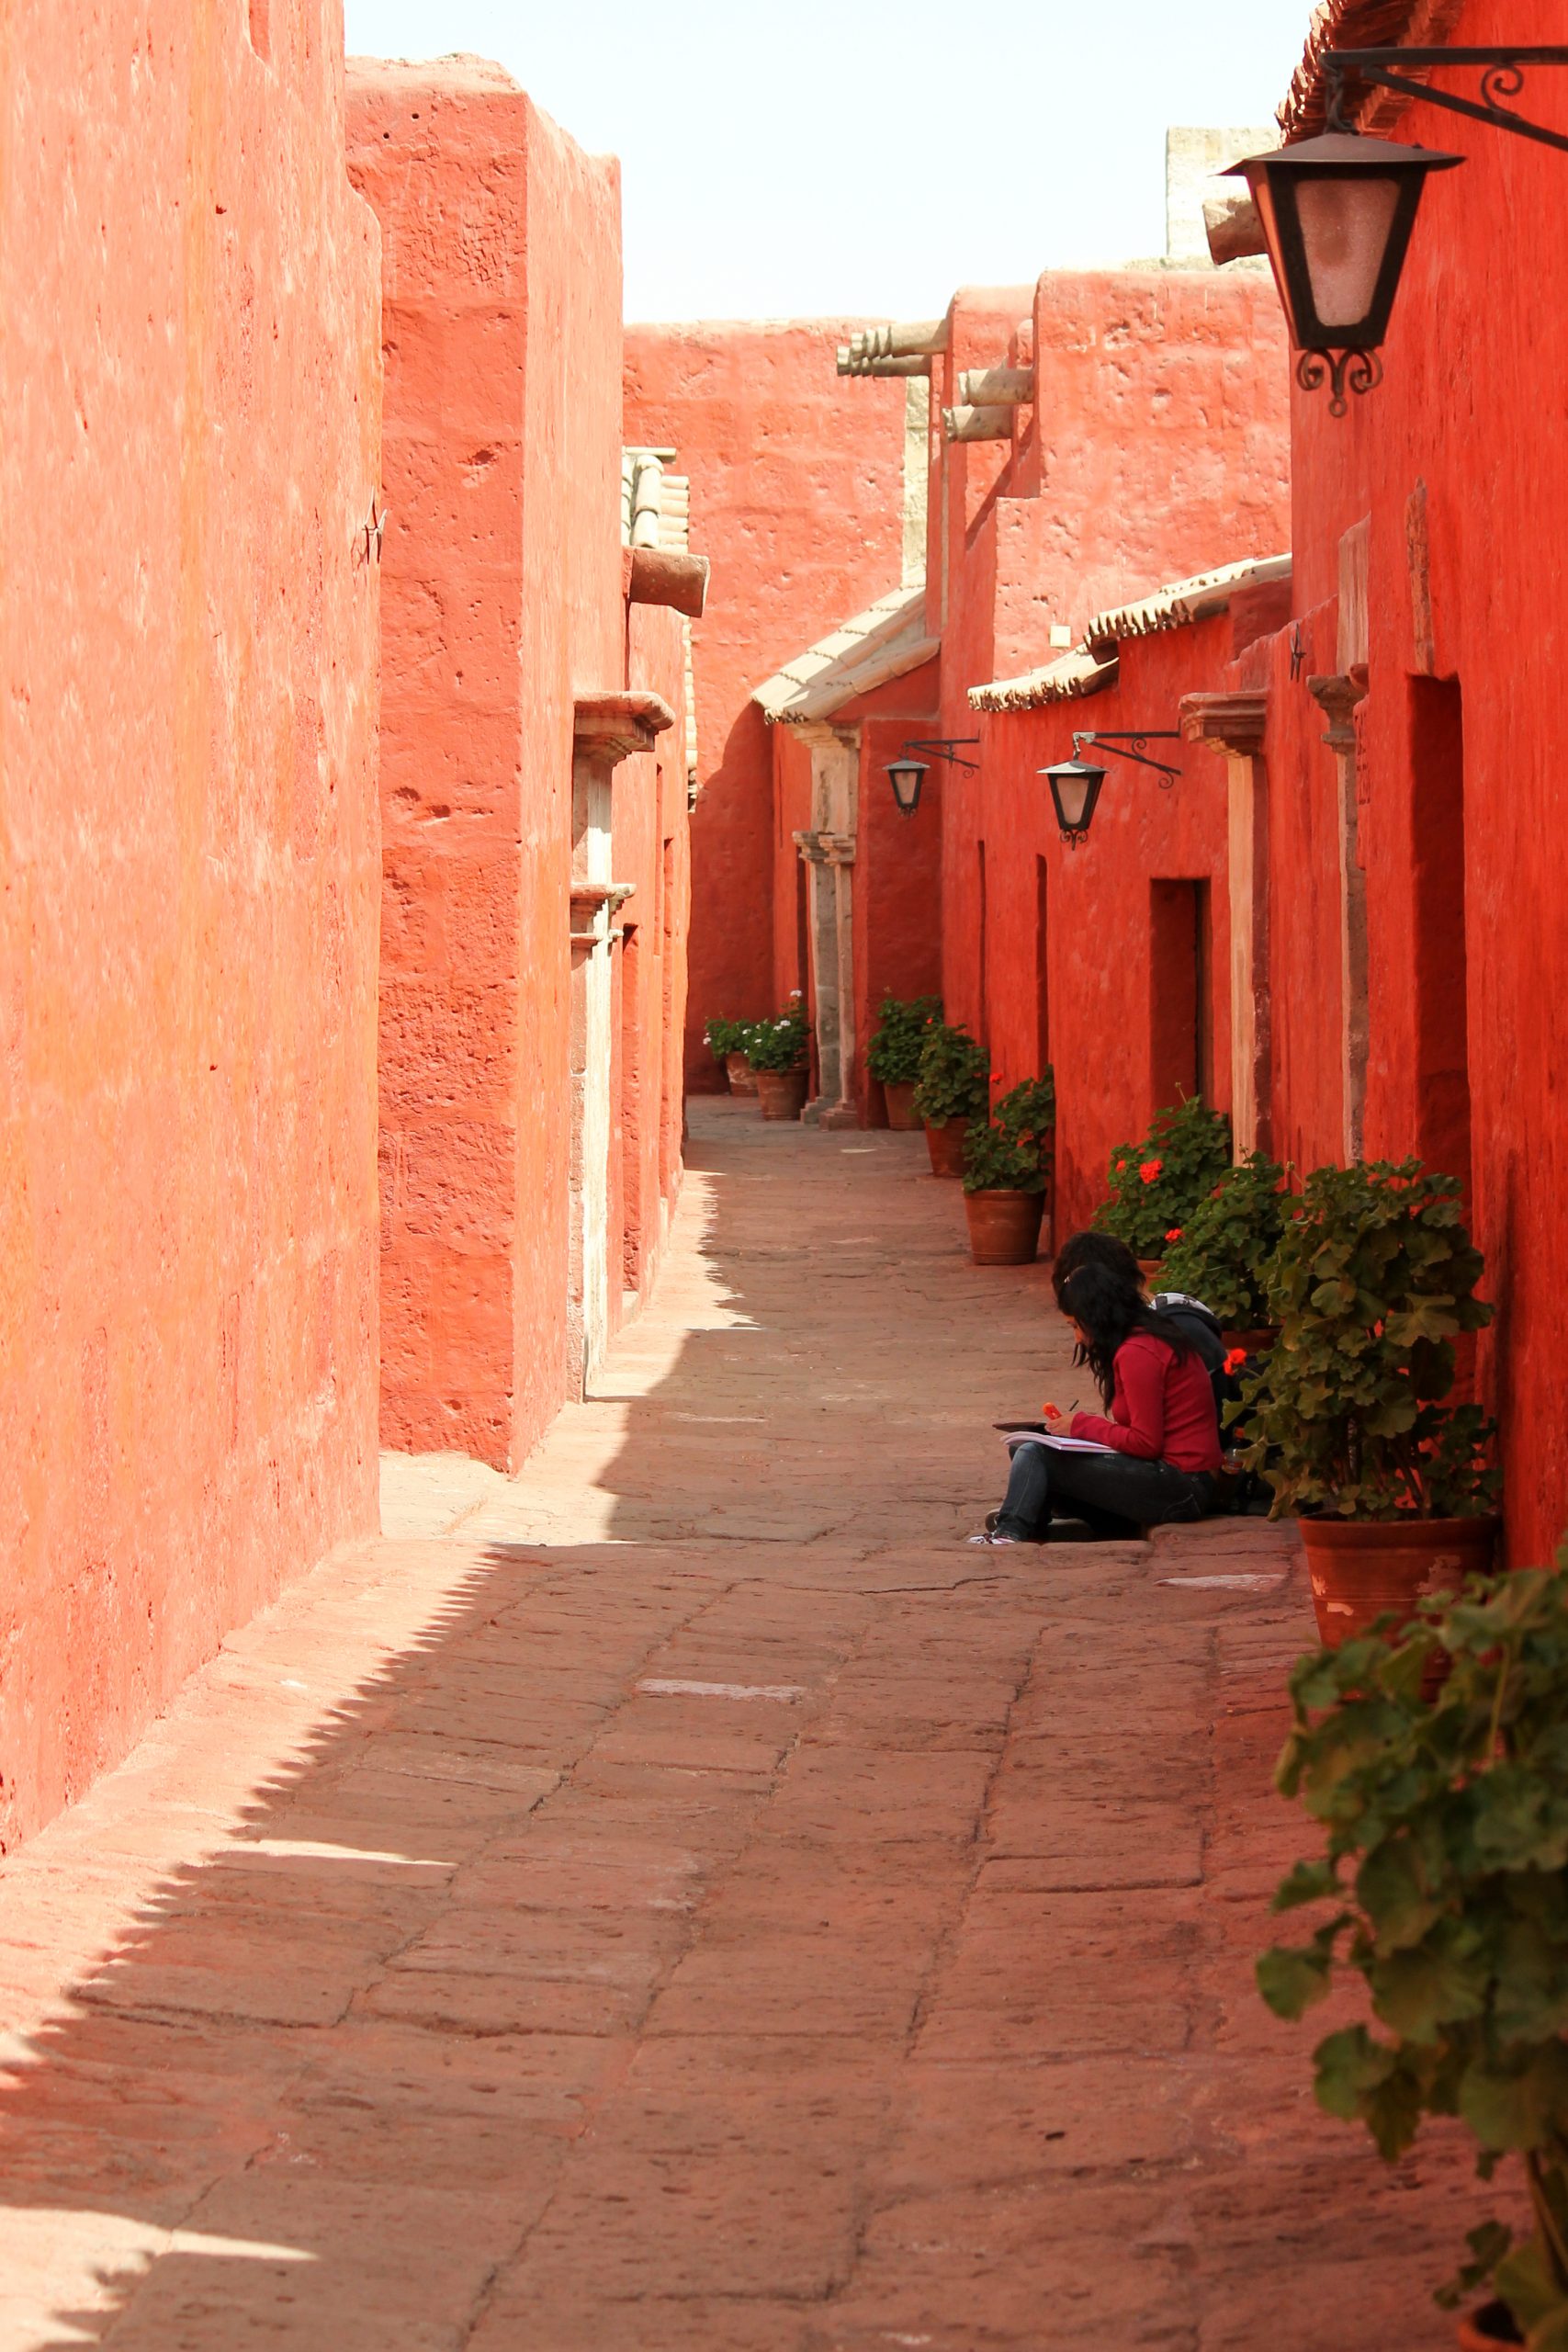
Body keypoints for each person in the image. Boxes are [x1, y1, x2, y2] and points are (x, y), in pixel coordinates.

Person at [970, 1259, 1223, 1544]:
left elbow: (1146, 1443)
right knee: (1022, 1449)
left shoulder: (1139, 1350)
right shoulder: (1141, 1338)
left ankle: (1009, 1532)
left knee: (1035, 1455)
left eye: (1076, 1326)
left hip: (1182, 1486)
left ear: (1097, 1318)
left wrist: (1082, 1426)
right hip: (1170, 1478)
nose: (1078, 1338)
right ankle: (1036, 1523)